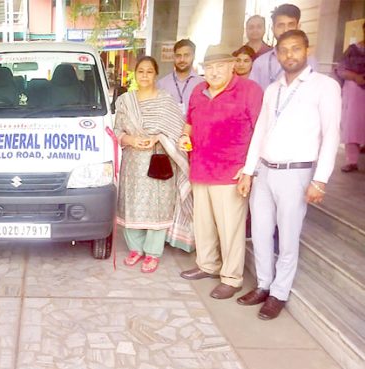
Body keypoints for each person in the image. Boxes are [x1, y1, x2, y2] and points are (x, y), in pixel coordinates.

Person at [237, 30, 341, 320]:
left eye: (295, 49)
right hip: (265, 171)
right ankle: (262, 285)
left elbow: (332, 134)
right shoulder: (273, 89)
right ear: (277, 54)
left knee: (288, 236)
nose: (289, 55)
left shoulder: (325, 86)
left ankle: (279, 293)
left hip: (297, 173)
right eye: (283, 50)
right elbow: (260, 132)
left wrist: (320, 179)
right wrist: (248, 171)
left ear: (307, 50)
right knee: (259, 232)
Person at [178, 45, 263, 300]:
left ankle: (232, 277)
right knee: (203, 224)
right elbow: (190, 123)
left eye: (219, 67)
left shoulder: (249, 90)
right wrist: (184, 136)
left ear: (232, 66)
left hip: (231, 171)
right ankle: (207, 265)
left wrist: (249, 170)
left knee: (230, 228)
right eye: (209, 67)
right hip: (201, 167)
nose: (213, 72)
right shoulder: (197, 91)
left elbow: (261, 131)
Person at [114, 56, 194, 273]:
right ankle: (135, 249)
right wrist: (131, 140)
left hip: (158, 160)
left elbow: (178, 130)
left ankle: (152, 252)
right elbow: (117, 130)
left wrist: (158, 138)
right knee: (132, 204)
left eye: (149, 72)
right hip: (133, 162)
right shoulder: (125, 101)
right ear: (135, 74)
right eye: (141, 71)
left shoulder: (165, 100)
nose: (145, 76)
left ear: (156, 75)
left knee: (158, 206)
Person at [250, 3, 318, 90]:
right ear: (273, 29)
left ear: (298, 27)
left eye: (291, 25)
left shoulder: (309, 61)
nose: (286, 30)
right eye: (281, 25)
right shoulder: (260, 62)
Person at [337, 21, 365, 173]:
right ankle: (352, 161)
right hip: (355, 91)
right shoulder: (353, 49)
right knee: (353, 125)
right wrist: (355, 76)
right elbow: (340, 69)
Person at [157, 39, 204, 115]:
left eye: (186, 55)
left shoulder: (202, 84)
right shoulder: (162, 84)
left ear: (194, 56)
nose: (182, 59)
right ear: (174, 57)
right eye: (178, 56)